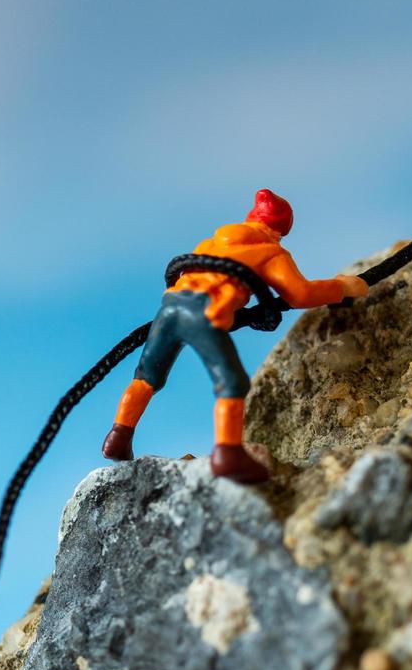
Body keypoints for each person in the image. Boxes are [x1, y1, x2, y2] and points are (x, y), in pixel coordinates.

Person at [101, 189, 368, 483]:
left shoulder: (212, 243)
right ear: (280, 229)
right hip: (203, 314)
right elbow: (300, 294)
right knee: (232, 382)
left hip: (170, 307)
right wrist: (342, 287)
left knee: (146, 378)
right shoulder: (271, 251)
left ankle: (118, 435)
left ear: (251, 218)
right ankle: (228, 454)